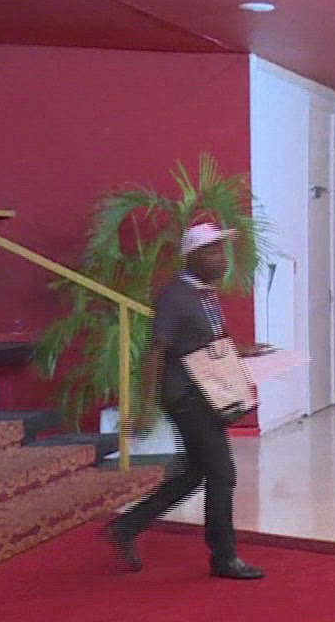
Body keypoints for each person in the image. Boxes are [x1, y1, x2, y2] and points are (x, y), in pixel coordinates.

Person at [105, 223, 263, 581]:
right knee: (222, 473)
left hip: (207, 393)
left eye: (222, 251)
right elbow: (156, 352)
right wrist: (146, 405)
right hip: (187, 396)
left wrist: (243, 351)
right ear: (191, 257)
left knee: (194, 474)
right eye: (212, 252)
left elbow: (205, 344)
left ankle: (127, 526)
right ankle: (224, 557)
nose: (222, 259)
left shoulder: (204, 294)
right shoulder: (175, 297)